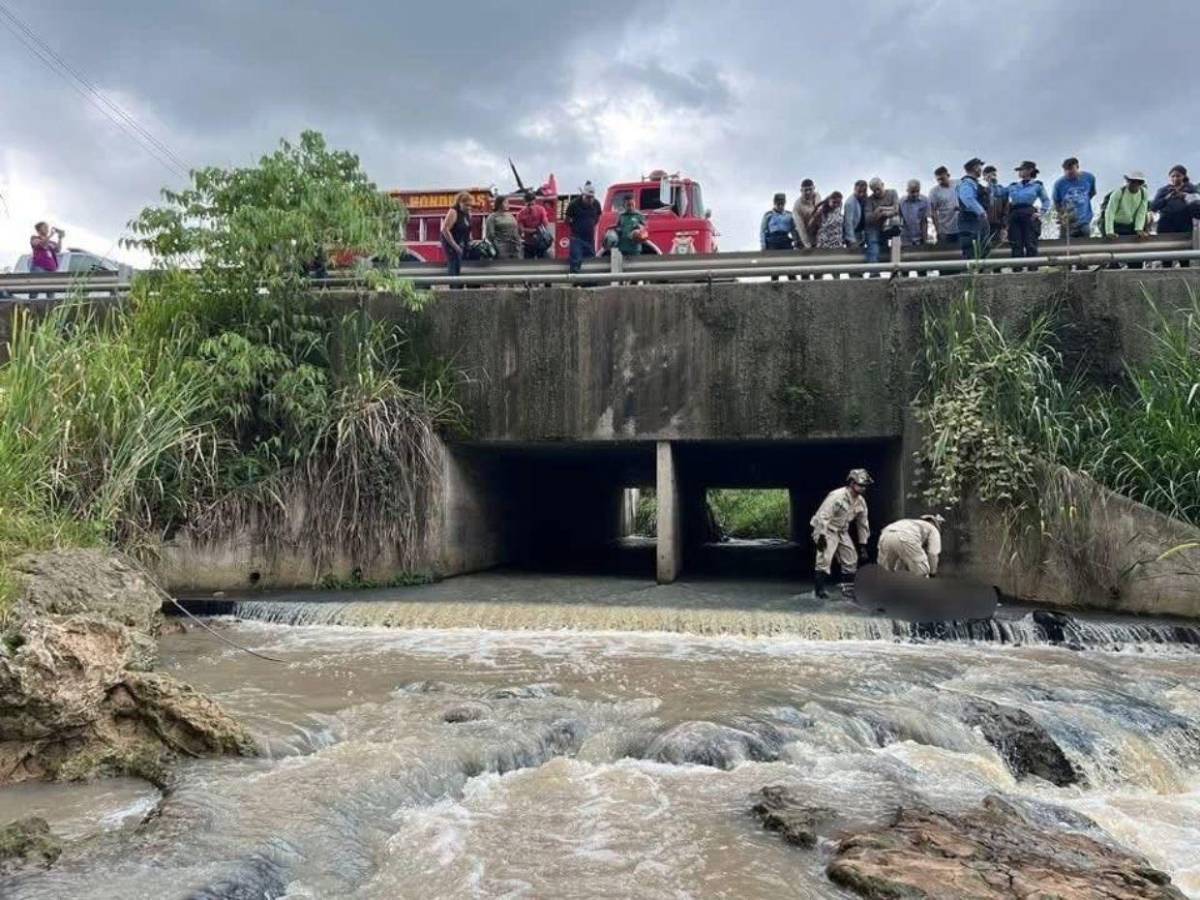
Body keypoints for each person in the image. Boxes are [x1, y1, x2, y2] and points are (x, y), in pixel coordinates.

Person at [810, 468, 873, 599]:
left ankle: (848, 590)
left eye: (865, 486)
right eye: (860, 485)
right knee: (824, 558)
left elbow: (862, 523)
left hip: (841, 530)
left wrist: (863, 544)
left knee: (851, 558)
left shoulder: (860, 501)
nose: (863, 488)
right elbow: (823, 515)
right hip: (826, 529)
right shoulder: (837, 496)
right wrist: (821, 536)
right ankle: (819, 590)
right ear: (851, 483)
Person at [1003, 161, 1052, 262]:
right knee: (1016, 244)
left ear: (1030, 170)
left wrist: (1041, 212)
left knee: (1031, 244)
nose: (1019, 172)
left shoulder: (1037, 185)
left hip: (1029, 214)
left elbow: (1046, 200)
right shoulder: (1013, 186)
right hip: (1015, 214)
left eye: (1021, 169)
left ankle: (1032, 270)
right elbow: (1000, 194)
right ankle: (1017, 271)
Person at [1101, 172, 1150, 269]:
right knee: (1114, 257)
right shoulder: (1119, 192)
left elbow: (1141, 212)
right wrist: (1109, 231)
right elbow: (1110, 212)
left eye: (1138, 183)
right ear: (1128, 182)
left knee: (1136, 259)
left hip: (1131, 225)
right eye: (1132, 182)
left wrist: (1139, 229)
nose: (1135, 185)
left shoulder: (1144, 193)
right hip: (1116, 225)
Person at [878, 515, 944, 577]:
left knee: (885, 573)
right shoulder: (933, 529)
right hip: (906, 537)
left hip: (885, 534)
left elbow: (902, 559)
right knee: (923, 571)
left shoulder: (912, 523)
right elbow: (933, 554)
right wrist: (932, 574)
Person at [1052, 157, 1097, 240]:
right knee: (1064, 246)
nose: (1069, 172)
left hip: (1084, 221)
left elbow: (1092, 193)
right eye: (1066, 170)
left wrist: (1082, 201)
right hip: (1068, 222)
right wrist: (1062, 215)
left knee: (1085, 244)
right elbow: (1056, 202)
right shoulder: (1059, 184)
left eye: (1071, 169)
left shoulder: (1089, 178)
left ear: (1077, 167)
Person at [1150, 165, 1200, 235]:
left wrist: (1184, 195)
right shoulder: (1163, 190)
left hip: (1185, 225)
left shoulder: (1191, 188)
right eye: (1173, 176)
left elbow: (1197, 203)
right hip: (1165, 226)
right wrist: (1166, 198)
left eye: (1178, 176)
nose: (1175, 178)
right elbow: (1153, 207)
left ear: (1184, 176)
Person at [956, 158, 989, 260]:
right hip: (969, 220)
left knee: (982, 248)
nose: (981, 169)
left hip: (975, 220)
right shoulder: (967, 183)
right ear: (975, 168)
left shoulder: (974, 183)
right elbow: (968, 199)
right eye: (980, 167)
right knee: (971, 250)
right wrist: (981, 212)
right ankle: (973, 275)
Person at [565, 181, 601, 275]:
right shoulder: (573, 204)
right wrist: (575, 227)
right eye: (588, 197)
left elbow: (598, 216)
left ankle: (589, 283)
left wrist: (591, 225)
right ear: (583, 195)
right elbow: (567, 220)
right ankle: (576, 282)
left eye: (591, 198)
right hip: (577, 237)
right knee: (576, 259)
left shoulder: (596, 204)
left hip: (589, 238)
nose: (590, 200)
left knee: (591, 261)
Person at [862, 177, 899, 269]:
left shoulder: (892, 193)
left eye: (878, 189)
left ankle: (895, 271)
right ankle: (874, 273)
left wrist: (881, 210)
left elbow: (896, 209)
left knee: (895, 242)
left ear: (883, 185)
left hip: (888, 226)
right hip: (873, 228)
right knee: (873, 245)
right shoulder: (870, 200)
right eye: (874, 191)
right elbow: (868, 218)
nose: (877, 192)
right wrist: (882, 211)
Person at [440, 192, 473, 277]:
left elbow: (468, 229)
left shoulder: (468, 214)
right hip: (450, 242)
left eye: (470, 205)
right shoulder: (453, 211)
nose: (468, 207)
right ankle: (454, 287)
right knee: (454, 263)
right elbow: (445, 229)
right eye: (466, 205)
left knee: (462, 263)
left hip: (461, 240)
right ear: (459, 203)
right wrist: (455, 246)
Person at [928, 166, 959, 248]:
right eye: (938, 179)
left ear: (948, 175)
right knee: (947, 253)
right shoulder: (934, 192)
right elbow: (932, 212)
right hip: (945, 229)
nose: (940, 181)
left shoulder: (958, 184)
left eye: (942, 178)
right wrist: (938, 230)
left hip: (961, 227)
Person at [517, 190, 552, 259]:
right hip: (533, 242)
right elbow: (521, 229)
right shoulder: (521, 213)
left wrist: (531, 231)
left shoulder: (540, 210)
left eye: (531, 204)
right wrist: (535, 230)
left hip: (535, 242)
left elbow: (545, 224)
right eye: (529, 205)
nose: (530, 207)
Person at [485, 195, 521, 260]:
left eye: (508, 203)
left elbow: (516, 230)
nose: (508, 205)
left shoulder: (510, 216)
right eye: (505, 203)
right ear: (499, 204)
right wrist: (497, 247)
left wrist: (519, 242)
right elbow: (490, 235)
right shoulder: (492, 217)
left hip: (514, 246)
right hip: (501, 247)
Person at [983, 165, 1009, 247]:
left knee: (998, 245)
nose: (993, 177)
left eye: (994, 174)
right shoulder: (982, 189)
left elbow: (1006, 208)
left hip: (998, 224)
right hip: (985, 224)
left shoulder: (1001, 190)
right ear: (984, 176)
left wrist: (1004, 225)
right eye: (990, 175)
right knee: (985, 245)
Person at [899, 180, 931, 248]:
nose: (915, 194)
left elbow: (924, 222)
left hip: (920, 237)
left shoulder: (925, 201)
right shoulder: (901, 202)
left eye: (917, 191)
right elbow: (899, 220)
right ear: (907, 190)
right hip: (905, 238)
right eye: (913, 192)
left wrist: (925, 240)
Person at [792, 179, 822, 249]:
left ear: (814, 188)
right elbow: (800, 227)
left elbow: (819, 212)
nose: (808, 192)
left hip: (818, 234)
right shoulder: (797, 206)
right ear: (801, 191)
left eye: (810, 189)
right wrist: (807, 245)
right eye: (805, 190)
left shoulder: (817, 196)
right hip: (804, 235)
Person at [842, 180, 868, 251]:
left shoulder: (866, 199)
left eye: (864, 191)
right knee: (854, 254)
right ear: (855, 189)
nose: (861, 194)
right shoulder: (849, 203)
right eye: (859, 192)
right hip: (853, 233)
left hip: (862, 233)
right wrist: (851, 240)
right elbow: (848, 223)